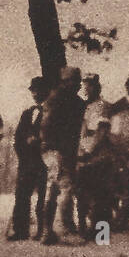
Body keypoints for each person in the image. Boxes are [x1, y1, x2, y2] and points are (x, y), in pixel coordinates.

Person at [39, 67, 85, 245]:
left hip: (67, 151)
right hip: (56, 150)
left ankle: (47, 231)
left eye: (77, 81)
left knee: (54, 189)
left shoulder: (76, 102)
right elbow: (46, 128)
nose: (75, 84)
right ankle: (66, 230)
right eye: (71, 81)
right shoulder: (55, 100)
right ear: (64, 82)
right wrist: (55, 150)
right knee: (65, 188)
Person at [7, 77, 49, 241]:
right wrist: (24, 147)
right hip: (27, 162)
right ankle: (20, 230)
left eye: (38, 90)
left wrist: (38, 141)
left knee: (42, 198)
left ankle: (42, 230)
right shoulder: (28, 113)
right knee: (22, 195)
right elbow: (17, 138)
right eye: (33, 90)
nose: (35, 93)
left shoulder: (51, 112)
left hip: (43, 161)